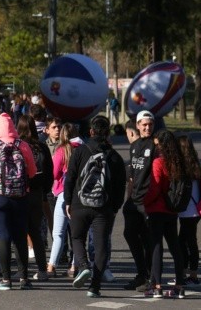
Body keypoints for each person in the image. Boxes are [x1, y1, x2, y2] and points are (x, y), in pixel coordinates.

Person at [64, 116, 126, 298]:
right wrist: (115, 207)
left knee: (77, 237)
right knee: (101, 246)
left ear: (91, 131)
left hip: (79, 203)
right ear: (108, 133)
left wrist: (68, 201)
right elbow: (119, 186)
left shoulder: (80, 151)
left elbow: (70, 178)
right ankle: (95, 287)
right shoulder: (114, 157)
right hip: (103, 207)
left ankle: (82, 265)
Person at [0, 112, 37, 291]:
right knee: (20, 236)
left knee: (2, 235)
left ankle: (6, 279)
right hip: (20, 196)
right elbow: (32, 173)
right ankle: (24, 278)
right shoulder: (23, 145)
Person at [143, 130, 188, 299]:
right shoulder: (178, 162)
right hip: (172, 209)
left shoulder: (158, 162)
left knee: (156, 247)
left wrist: (144, 203)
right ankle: (180, 285)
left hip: (157, 209)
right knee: (175, 247)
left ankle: (156, 285)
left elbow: (155, 188)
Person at [122, 110, 156, 292]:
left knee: (149, 239)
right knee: (129, 233)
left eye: (150, 124)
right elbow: (133, 175)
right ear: (137, 125)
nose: (147, 127)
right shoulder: (134, 146)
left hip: (148, 201)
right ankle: (142, 272)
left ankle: (150, 276)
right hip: (134, 200)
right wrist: (129, 198)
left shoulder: (156, 145)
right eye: (144, 124)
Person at [16, 114, 52, 281]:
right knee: (35, 232)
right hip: (38, 193)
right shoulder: (42, 147)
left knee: (20, 232)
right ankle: (42, 269)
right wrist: (45, 191)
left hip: (21, 192)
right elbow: (49, 172)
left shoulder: (18, 146)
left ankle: (22, 270)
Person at [47, 123, 82, 277]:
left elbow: (53, 174)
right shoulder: (83, 149)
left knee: (58, 233)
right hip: (81, 195)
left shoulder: (62, 150)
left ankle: (51, 265)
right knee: (77, 234)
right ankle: (74, 266)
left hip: (63, 193)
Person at [174, 135, 201, 288]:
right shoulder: (195, 164)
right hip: (196, 208)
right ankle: (190, 274)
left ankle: (189, 275)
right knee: (190, 241)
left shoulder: (182, 166)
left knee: (183, 242)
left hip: (187, 209)